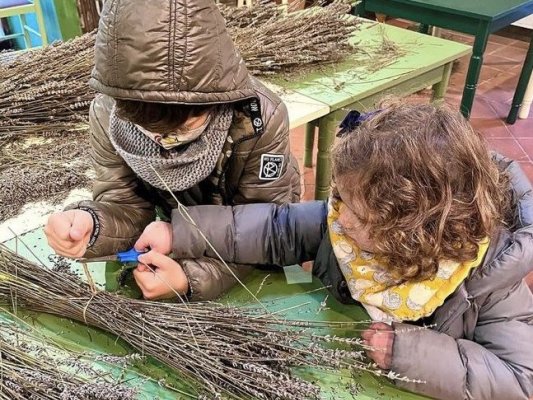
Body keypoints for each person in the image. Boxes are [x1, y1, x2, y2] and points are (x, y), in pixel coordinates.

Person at [160, 102, 533, 399]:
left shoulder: (493, 280)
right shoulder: (343, 221)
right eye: (340, 199)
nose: (342, 220)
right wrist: (179, 233)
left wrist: (409, 355)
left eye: (358, 214)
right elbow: (275, 227)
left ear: (412, 234)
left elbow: (519, 379)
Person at [43, 0, 301, 300]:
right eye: (147, 130)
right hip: (168, 231)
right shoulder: (108, 113)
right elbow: (125, 204)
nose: (162, 141)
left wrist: (190, 278)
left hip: (249, 237)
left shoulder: (258, 119)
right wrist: (92, 224)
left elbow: (265, 225)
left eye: (182, 127)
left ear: (214, 101)